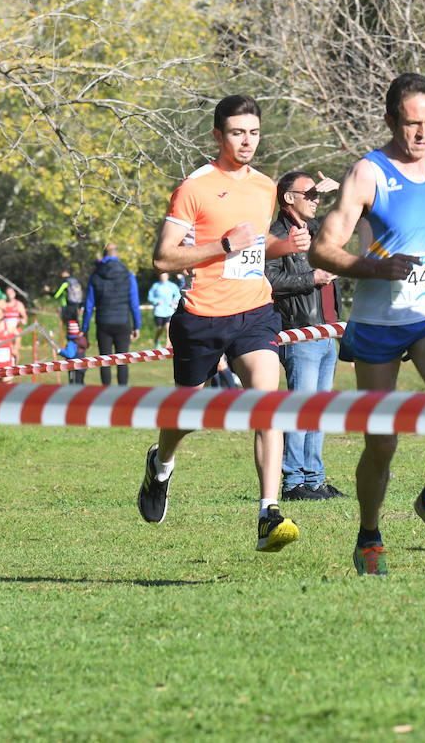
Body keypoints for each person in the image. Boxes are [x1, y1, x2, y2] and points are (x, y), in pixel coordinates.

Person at [309, 73, 425, 576]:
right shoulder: (368, 174)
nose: (421, 134)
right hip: (379, 319)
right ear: (390, 121)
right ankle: (368, 536)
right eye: (411, 124)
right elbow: (323, 248)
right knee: (381, 440)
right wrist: (373, 267)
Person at [135, 93, 310, 553]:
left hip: (255, 310)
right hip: (202, 315)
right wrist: (222, 247)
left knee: (267, 404)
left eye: (253, 132)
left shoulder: (265, 186)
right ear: (218, 135)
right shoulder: (193, 188)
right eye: (237, 133)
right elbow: (163, 258)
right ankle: (161, 462)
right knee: (186, 415)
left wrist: (285, 246)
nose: (247, 141)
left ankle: (268, 512)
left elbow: (253, 249)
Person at [266, 170, 346, 502]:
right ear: (288, 198)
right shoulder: (275, 234)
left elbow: (345, 219)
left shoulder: (314, 230)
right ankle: (293, 481)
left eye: (317, 196)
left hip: (328, 332)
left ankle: (315, 480)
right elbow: (268, 280)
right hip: (299, 333)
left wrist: (340, 193)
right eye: (309, 195)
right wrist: (311, 278)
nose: (315, 201)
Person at [81, 245, 141, 385]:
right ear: (117, 255)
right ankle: (122, 395)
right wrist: (137, 325)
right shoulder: (128, 274)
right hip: (123, 322)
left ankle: (106, 396)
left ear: (103, 256)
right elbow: (134, 303)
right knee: (122, 361)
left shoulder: (95, 275)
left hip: (103, 323)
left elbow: (89, 306)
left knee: (104, 361)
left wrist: (85, 329)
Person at [147, 272, 181, 348]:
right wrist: (156, 301)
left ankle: (167, 347)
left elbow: (178, 294)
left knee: (168, 328)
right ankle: (156, 340)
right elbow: (150, 297)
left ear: (167, 277)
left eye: (165, 276)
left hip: (169, 311)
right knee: (159, 328)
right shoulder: (155, 286)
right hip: (159, 311)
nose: (163, 278)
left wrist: (174, 301)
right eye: (162, 276)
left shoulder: (172, 285)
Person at [49, 269, 84, 336]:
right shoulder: (75, 282)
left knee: (67, 325)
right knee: (75, 324)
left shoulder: (65, 283)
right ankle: (77, 339)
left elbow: (56, 295)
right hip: (76, 305)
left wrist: (48, 292)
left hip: (66, 306)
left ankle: (69, 341)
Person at [59, 320, 88, 385]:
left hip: (74, 368)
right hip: (82, 367)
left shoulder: (71, 343)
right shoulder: (81, 340)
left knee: (73, 385)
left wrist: (60, 351)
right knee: (80, 383)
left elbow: (70, 354)